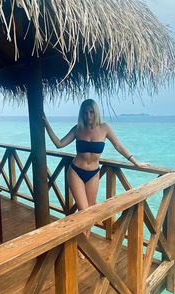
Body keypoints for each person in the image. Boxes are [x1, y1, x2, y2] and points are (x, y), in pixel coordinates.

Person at [43, 99, 150, 246]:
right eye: (85, 112)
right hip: (76, 172)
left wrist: (135, 161)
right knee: (84, 211)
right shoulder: (78, 129)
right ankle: (81, 246)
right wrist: (47, 125)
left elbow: (118, 146)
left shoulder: (104, 128)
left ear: (96, 112)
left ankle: (83, 245)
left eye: (91, 112)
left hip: (93, 174)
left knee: (91, 212)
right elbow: (59, 144)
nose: (88, 115)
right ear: (81, 114)